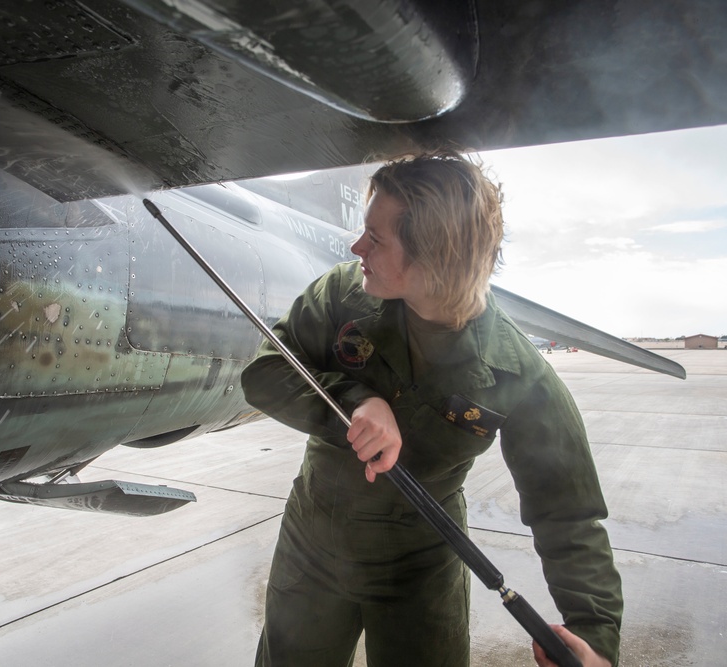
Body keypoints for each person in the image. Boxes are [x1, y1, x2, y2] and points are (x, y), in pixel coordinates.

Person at [241, 150, 622, 667]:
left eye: (376, 239)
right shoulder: (342, 294)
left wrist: (595, 638)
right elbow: (264, 372)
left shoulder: (516, 372)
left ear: (433, 259)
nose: (357, 247)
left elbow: (567, 513)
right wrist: (355, 401)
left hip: (420, 566)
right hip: (315, 544)